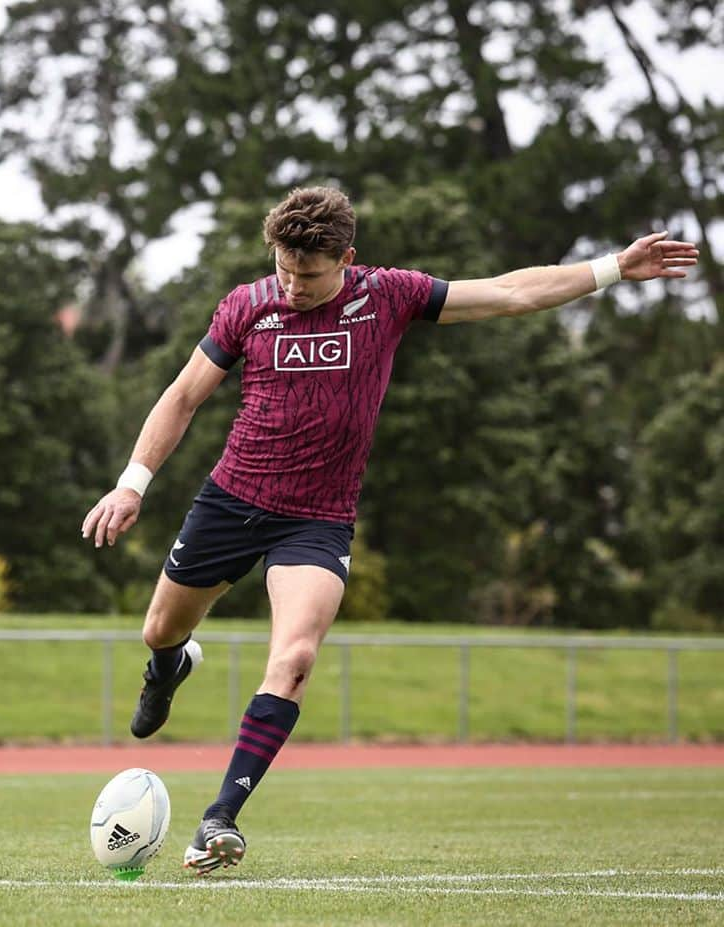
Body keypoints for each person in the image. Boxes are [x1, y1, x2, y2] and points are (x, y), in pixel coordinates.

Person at [80, 186, 699, 875]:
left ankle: (219, 818)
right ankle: (170, 666)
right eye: (283, 267)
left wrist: (613, 266)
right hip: (231, 501)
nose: (293, 285)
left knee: (294, 659)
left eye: (308, 274)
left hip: (315, 521)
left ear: (347, 258)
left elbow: (509, 293)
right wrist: (132, 483)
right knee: (160, 628)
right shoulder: (248, 306)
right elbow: (183, 394)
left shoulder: (388, 296)